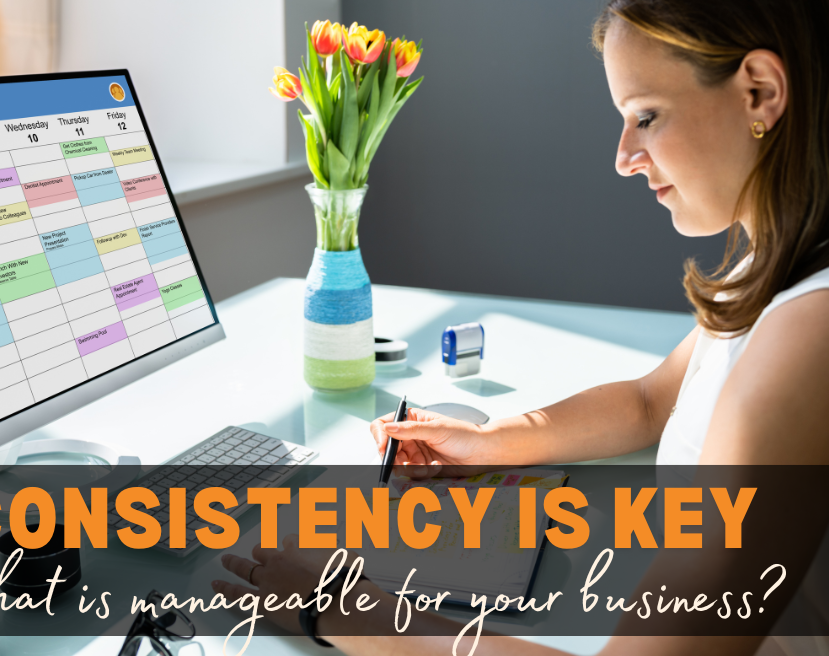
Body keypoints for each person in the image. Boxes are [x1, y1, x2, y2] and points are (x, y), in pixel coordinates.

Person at [213, 0, 829, 653]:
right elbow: (654, 398)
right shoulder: (772, 266)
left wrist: (338, 609)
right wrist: (489, 440)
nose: (623, 157)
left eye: (645, 117)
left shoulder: (806, 335)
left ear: (759, 93)